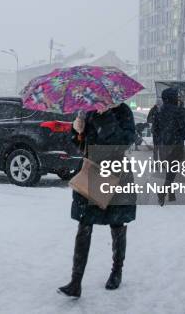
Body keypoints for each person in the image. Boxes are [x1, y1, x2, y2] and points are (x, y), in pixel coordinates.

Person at [58, 102, 136, 298]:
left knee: (117, 224)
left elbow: (122, 143)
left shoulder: (123, 112)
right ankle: (76, 282)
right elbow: (81, 145)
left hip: (116, 174)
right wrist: (78, 131)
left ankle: (116, 271)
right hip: (91, 171)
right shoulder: (88, 111)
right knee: (84, 225)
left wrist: (107, 117)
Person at [152, 88, 185, 206]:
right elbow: (184, 131)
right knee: (172, 171)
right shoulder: (179, 111)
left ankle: (171, 195)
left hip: (163, 146)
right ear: (173, 98)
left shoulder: (159, 112)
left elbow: (155, 130)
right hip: (176, 144)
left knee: (170, 170)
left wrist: (159, 142)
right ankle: (162, 193)